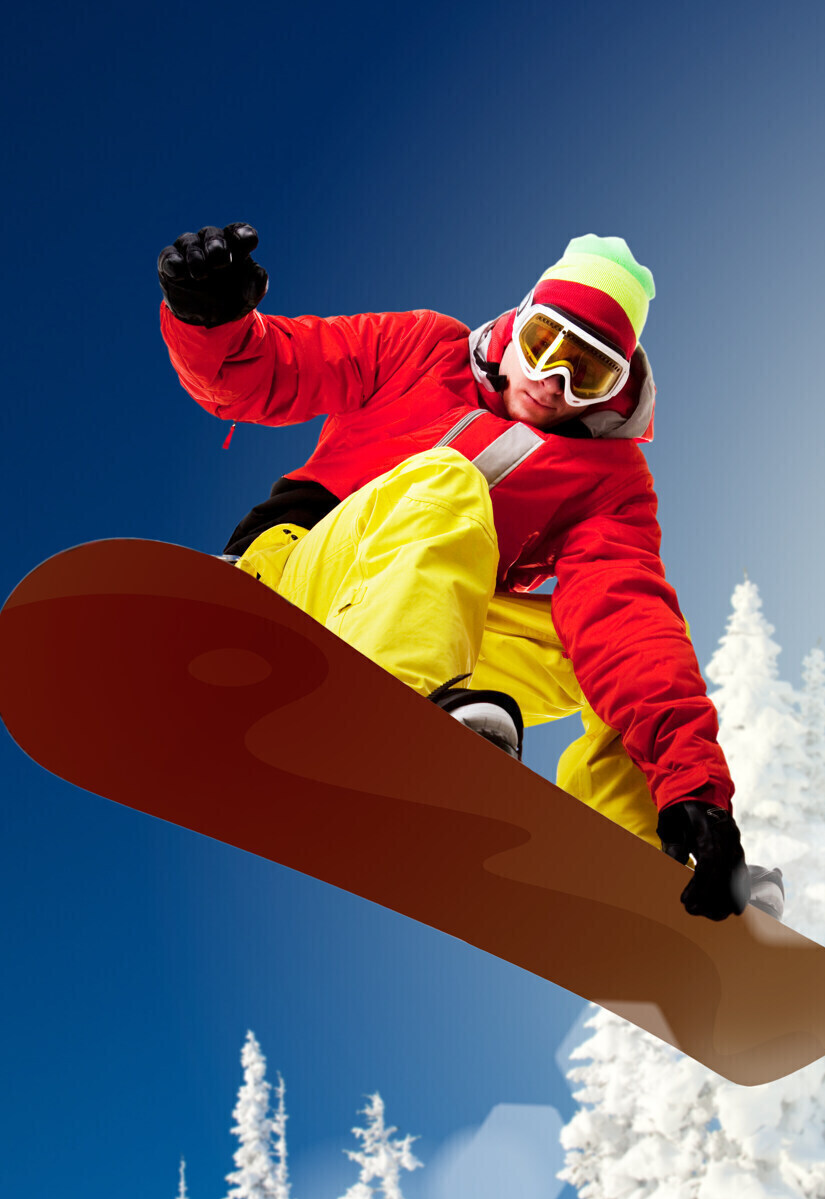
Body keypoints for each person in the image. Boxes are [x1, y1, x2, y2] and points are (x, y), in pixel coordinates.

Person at [158, 223, 782, 923]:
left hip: (427, 630)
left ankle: (643, 869)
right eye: (545, 344)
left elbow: (626, 622)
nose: (553, 382)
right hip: (294, 590)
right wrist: (208, 314)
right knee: (447, 484)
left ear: (617, 388)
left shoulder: (609, 480)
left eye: (588, 372)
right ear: (515, 326)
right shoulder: (422, 348)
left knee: (616, 661)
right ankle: (386, 725)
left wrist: (691, 787)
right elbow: (272, 373)